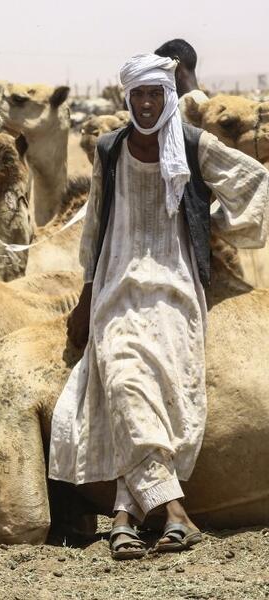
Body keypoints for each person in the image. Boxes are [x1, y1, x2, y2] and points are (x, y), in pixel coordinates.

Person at [49, 54, 269, 560]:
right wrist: (86, 299)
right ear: (127, 99)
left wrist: (206, 224)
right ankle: (172, 511)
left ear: (166, 96)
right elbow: (95, 227)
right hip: (116, 281)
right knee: (124, 375)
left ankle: (126, 514)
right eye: (138, 95)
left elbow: (254, 184)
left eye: (154, 94)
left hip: (175, 281)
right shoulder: (109, 148)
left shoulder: (193, 145)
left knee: (166, 377)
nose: (146, 104)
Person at [155, 39, 208, 120]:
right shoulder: (206, 103)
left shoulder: (183, 109)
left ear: (177, 70)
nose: (158, 80)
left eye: (162, 71)